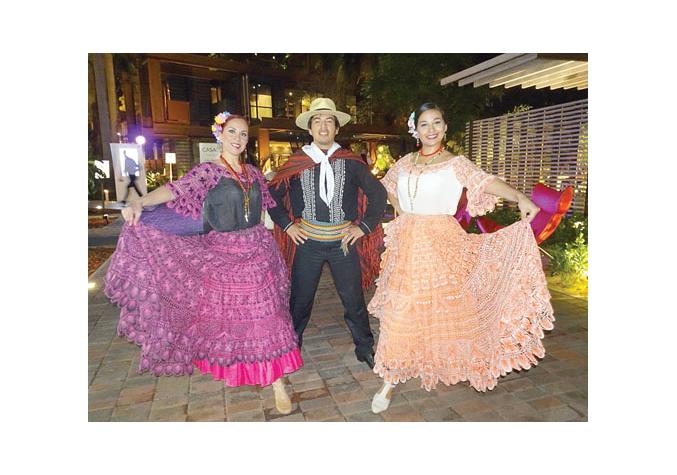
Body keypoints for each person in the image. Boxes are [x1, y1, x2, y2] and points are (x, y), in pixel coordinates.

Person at [104, 112, 302, 415]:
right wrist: (139, 201)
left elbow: (265, 206)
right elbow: (175, 189)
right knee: (233, 320)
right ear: (220, 135)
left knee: (271, 316)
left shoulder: (253, 172)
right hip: (223, 254)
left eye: (243, 134)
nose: (237, 139)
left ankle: (277, 382)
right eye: (232, 132)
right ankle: (243, 368)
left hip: (259, 252)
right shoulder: (208, 171)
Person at [368, 103, 555, 414]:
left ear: (445, 127)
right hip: (406, 245)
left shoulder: (456, 164)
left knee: (448, 306)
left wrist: (520, 197)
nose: (431, 129)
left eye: (437, 122)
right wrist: (400, 209)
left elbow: (485, 182)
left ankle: (449, 360)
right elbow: (385, 186)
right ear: (416, 130)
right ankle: (389, 379)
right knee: (400, 312)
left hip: (442, 244)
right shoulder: (404, 163)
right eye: (424, 124)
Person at [267, 98, 387, 369]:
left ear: (336, 128)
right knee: (300, 300)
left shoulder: (351, 162)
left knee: (353, 299)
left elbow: (378, 194)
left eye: (329, 121)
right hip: (307, 243)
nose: (323, 126)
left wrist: (363, 227)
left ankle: (364, 347)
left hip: (342, 243)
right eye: (318, 121)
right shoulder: (296, 162)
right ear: (310, 128)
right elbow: (272, 196)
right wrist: (288, 225)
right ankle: (291, 346)